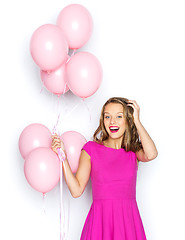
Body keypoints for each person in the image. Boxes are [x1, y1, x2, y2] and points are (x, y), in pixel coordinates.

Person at [52, 97, 158, 240]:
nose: (112, 121)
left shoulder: (133, 151)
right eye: (107, 116)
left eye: (119, 116)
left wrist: (137, 121)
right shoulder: (91, 149)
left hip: (128, 223)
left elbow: (152, 154)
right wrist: (62, 157)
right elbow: (76, 191)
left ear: (128, 119)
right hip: (100, 223)